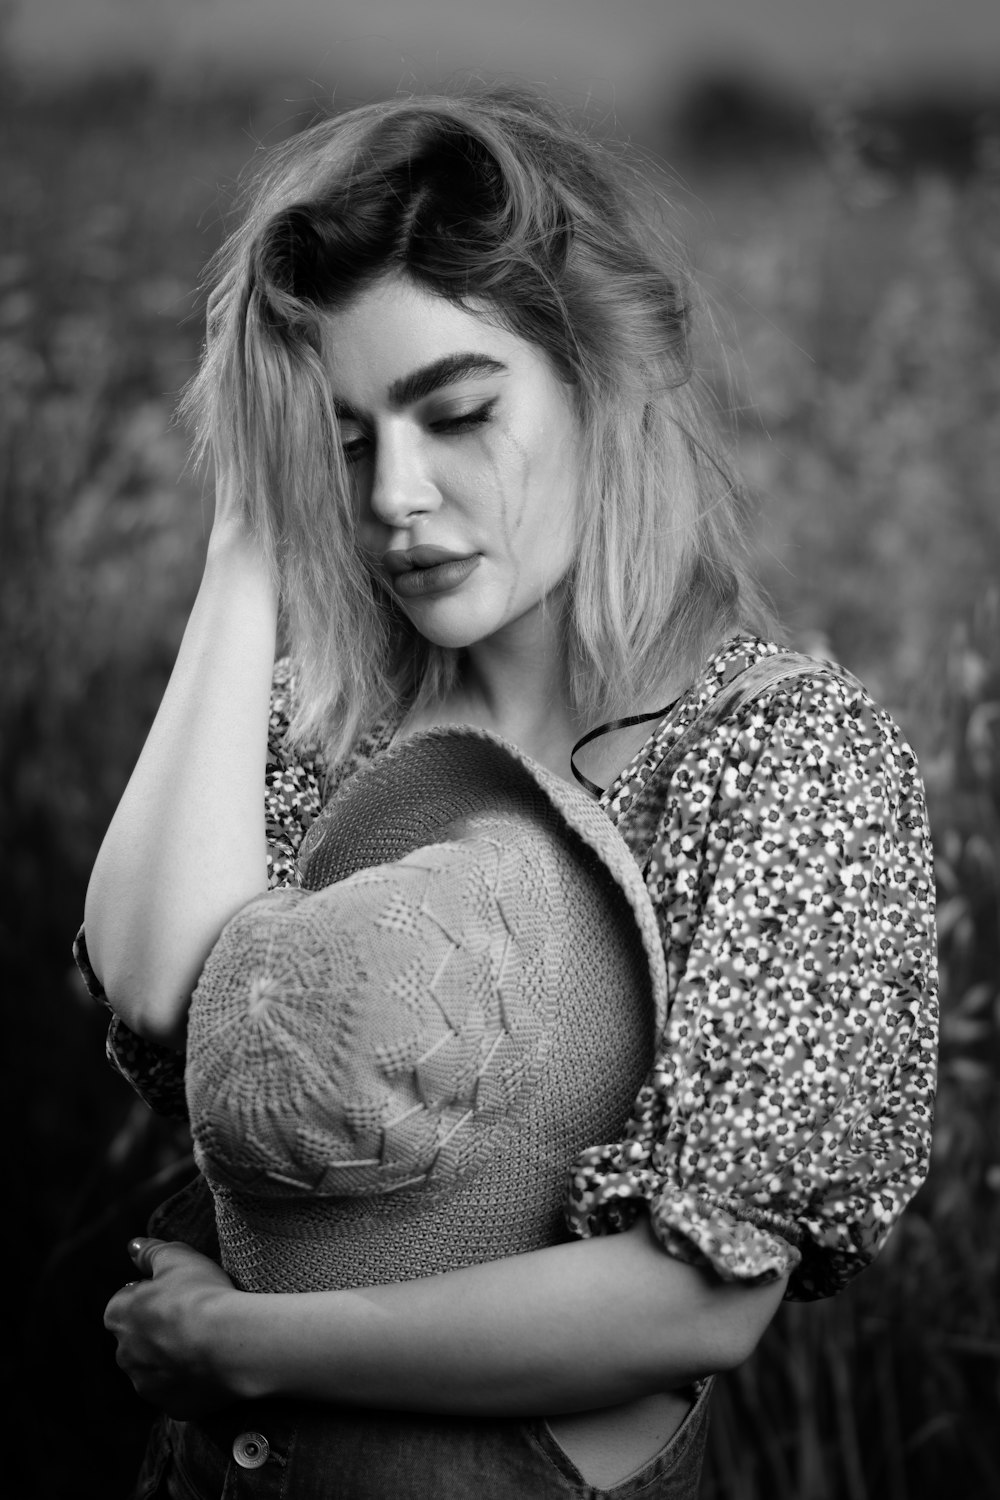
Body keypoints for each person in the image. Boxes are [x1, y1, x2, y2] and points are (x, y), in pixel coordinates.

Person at [82, 86, 938, 1498]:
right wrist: (248, 527)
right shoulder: (324, 723)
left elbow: (695, 1301)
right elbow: (156, 990)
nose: (396, 497)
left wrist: (250, 1343)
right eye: (346, 438)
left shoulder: (783, 763)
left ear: (607, 377)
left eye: (458, 412)